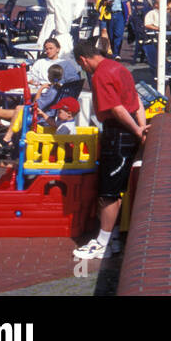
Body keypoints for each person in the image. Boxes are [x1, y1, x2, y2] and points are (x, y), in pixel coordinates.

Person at [72, 38, 146, 260]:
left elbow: (116, 109)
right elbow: (137, 102)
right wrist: (141, 128)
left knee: (108, 192)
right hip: (129, 130)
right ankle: (111, 237)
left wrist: (135, 130)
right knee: (117, 188)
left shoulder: (101, 75)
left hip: (118, 133)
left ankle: (101, 243)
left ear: (83, 60)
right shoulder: (120, 68)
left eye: (81, 65)